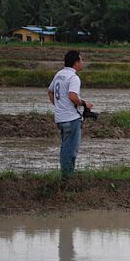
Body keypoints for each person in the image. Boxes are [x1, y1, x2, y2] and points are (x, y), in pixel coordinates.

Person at [48, 51, 93, 179]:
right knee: (71, 150)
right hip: (71, 119)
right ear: (76, 63)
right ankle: (67, 178)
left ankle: (65, 176)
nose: (82, 63)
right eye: (81, 60)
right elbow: (72, 96)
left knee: (65, 147)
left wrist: (59, 106)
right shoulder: (73, 78)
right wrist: (85, 104)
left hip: (60, 118)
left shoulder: (59, 74)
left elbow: (50, 91)